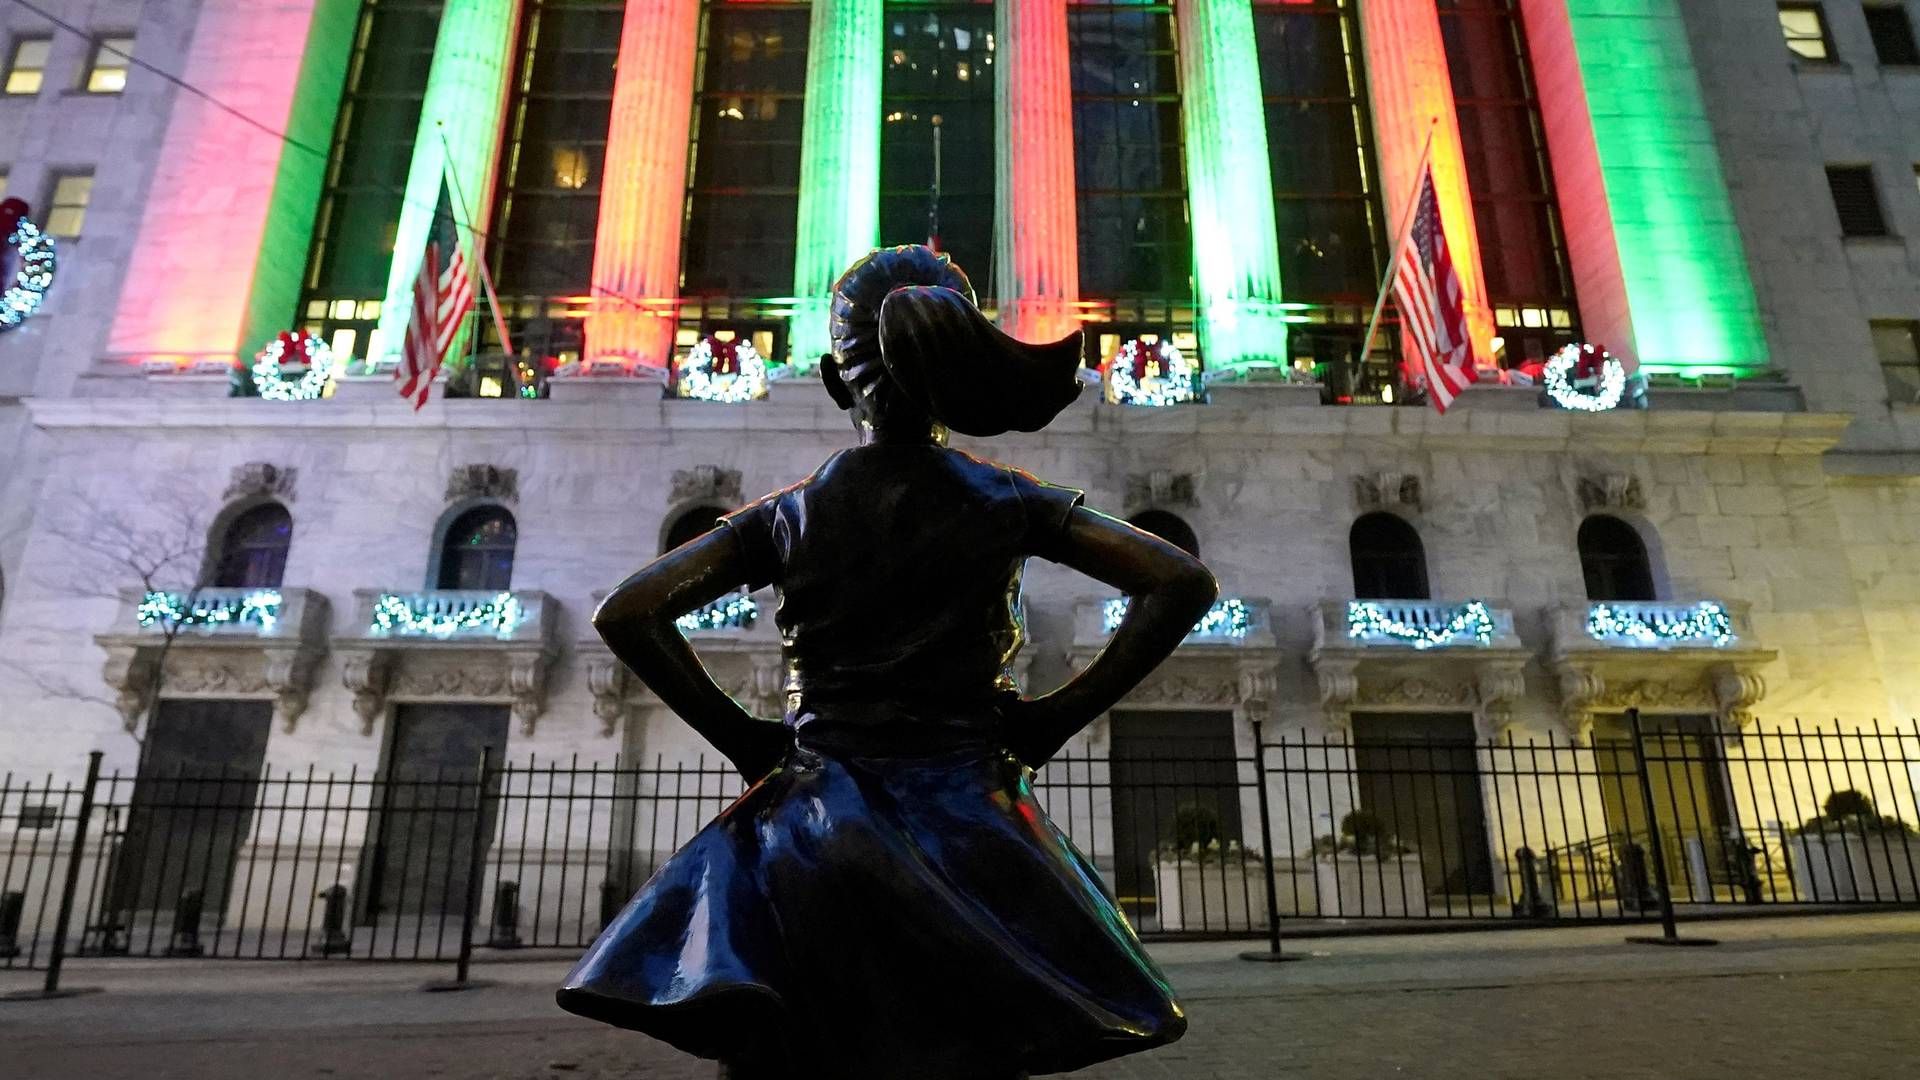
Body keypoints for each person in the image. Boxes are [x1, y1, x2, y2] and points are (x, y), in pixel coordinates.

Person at [558, 245, 1218, 1079]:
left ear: (839, 383)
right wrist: (1054, 717)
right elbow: (1180, 580)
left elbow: (630, 611)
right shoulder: (1006, 500)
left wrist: (744, 739)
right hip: (971, 827)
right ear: (954, 374)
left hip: (805, 831)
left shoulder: (789, 516)